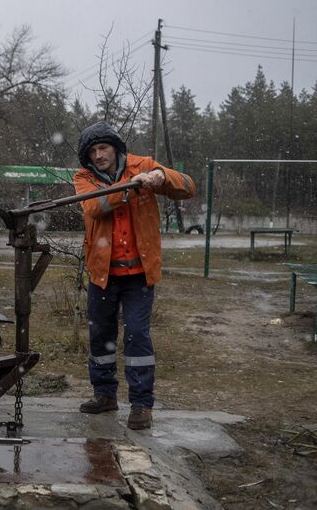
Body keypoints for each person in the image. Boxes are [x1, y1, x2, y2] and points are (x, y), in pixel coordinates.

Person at [73, 121, 196, 430]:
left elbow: (188, 186)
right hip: (103, 275)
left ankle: (142, 404)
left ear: (115, 147)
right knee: (100, 336)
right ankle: (104, 395)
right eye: (93, 151)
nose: (99, 155)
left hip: (139, 275)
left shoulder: (144, 165)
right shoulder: (83, 177)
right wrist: (129, 189)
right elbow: (94, 206)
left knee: (137, 336)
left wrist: (160, 176)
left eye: (103, 148)